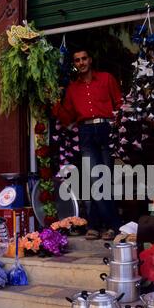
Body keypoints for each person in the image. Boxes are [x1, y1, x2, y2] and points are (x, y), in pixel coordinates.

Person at [53, 48, 122, 240]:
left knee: (105, 181)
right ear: (74, 64)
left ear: (90, 60)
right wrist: (54, 102)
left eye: (84, 58)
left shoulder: (107, 79)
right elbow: (67, 118)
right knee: (94, 181)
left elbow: (119, 103)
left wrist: (119, 129)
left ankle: (96, 225)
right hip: (86, 132)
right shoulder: (72, 89)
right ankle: (114, 225)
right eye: (77, 60)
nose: (81, 62)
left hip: (107, 129)